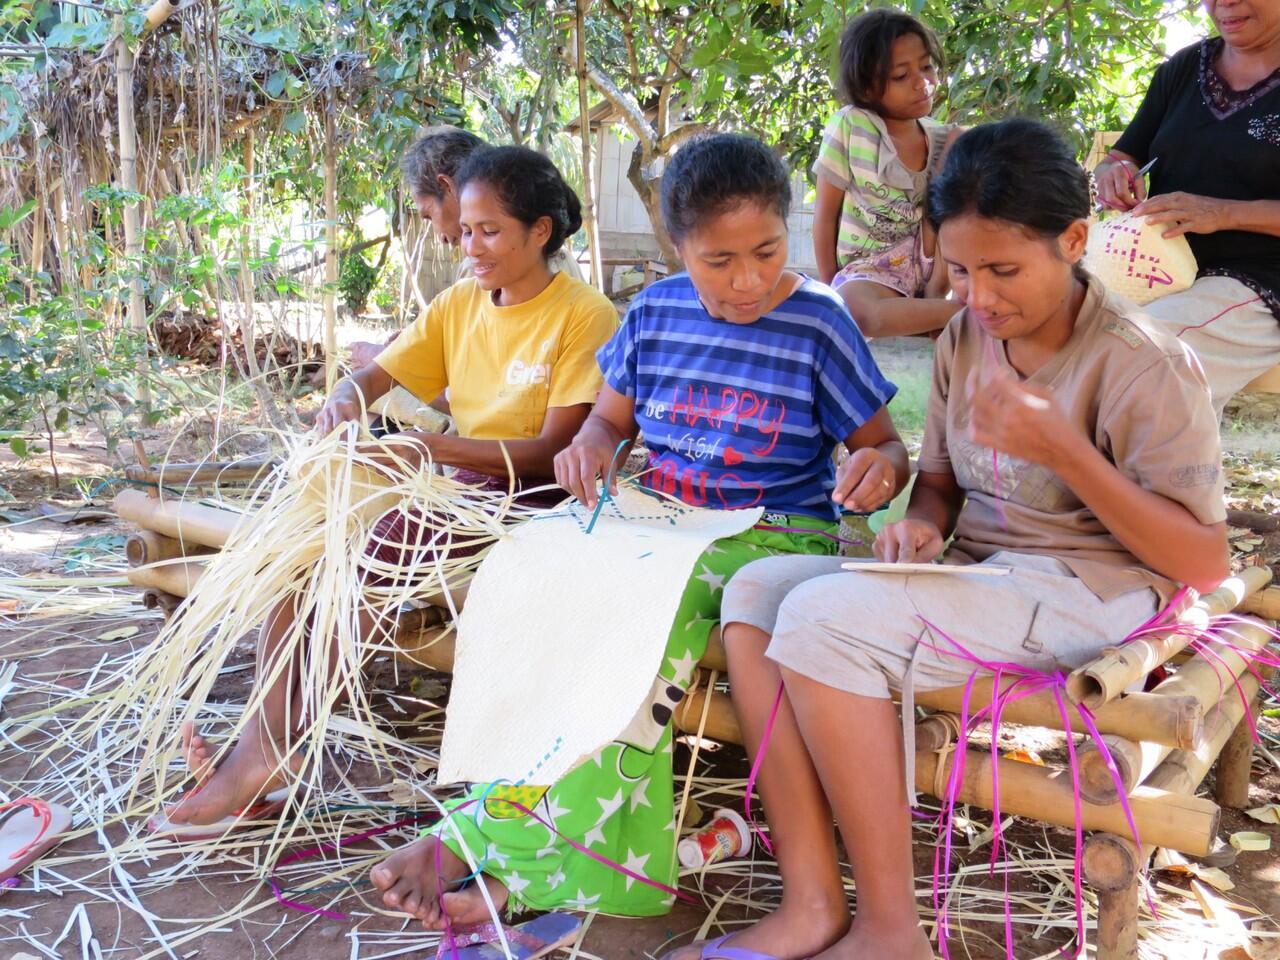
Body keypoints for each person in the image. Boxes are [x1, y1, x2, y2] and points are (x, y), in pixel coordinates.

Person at [677, 119, 1230, 960]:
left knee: (823, 617)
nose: (978, 295)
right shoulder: (970, 336)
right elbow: (937, 485)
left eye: (1003, 270)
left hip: (1090, 592)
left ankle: (893, 934)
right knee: (754, 597)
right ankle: (811, 900)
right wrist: (919, 529)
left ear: (1075, 240)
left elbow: (1200, 562)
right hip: (984, 578)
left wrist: (1066, 453)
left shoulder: (1144, 363)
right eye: (961, 270)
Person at [368, 133, 910, 930]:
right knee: (531, 571)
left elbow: (882, 443)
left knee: (639, 622)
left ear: (786, 233)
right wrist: (591, 446)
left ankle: (498, 850)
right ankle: (518, 839)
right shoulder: (653, 313)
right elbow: (605, 425)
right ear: (677, 245)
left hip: (771, 530)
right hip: (658, 520)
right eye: (718, 261)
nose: (748, 278)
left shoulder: (817, 322)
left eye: (765, 251)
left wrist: (880, 470)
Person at [164, 146, 618, 827]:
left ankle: (262, 757)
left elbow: (553, 451)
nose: (470, 247)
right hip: (456, 488)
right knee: (305, 553)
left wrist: (420, 446)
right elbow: (372, 379)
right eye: (465, 231)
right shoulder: (461, 304)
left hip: (531, 501)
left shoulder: (584, 314)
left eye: (489, 231)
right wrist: (345, 401)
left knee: (371, 553)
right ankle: (263, 751)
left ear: (540, 231)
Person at [1094, 0, 1280, 416]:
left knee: (1141, 354)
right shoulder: (1185, 68)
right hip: (1153, 268)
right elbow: (1125, 154)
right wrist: (1115, 172)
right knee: (1057, 329)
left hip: (1258, 280)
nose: (1223, 4)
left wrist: (1224, 213)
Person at [347, 126, 584, 372]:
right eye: (469, 231)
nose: (440, 237)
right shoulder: (537, 256)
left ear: (448, 187)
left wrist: (386, 360)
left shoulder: (490, 269)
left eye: (428, 216)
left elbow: (475, 385)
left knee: (372, 384)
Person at [812, 8, 961, 339]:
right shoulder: (850, 126)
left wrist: (939, 279)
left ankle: (938, 306)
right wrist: (830, 294)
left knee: (965, 145)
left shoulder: (943, 136)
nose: (923, 83)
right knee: (855, 311)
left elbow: (954, 215)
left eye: (926, 67)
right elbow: (824, 217)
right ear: (867, 87)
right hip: (869, 271)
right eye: (901, 76)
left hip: (934, 268)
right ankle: (959, 315)